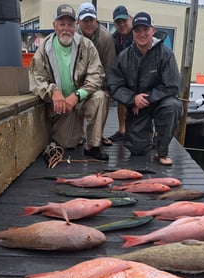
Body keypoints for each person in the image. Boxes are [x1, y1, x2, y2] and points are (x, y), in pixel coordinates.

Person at [29, 4, 109, 161]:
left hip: (80, 98)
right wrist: (53, 91)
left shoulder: (87, 46)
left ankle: (93, 146)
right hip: (59, 105)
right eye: (62, 24)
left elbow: (96, 76)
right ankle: (77, 134)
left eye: (70, 24)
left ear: (76, 26)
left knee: (101, 96)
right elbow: (36, 78)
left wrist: (77, 95)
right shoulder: (44, 48)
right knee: (67, 143)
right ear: (54, 26)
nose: (66, 29)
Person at [107, 11, 183, 165]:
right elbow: (114, 85)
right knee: (137, 149)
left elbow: (173, 86)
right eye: (137, 30)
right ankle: (147, 138)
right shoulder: (123, 57)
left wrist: (145, 98)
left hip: (160, 101)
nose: (142, 34)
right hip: (137, 106)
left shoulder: (166, 54)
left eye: (145, 30)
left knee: (173, 106)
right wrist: (132, 99)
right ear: (132, 32)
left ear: (153, 30)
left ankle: (162, 152)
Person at [76, 2, 116, 146]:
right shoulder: (72, 35)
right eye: (85, 20)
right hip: (77, 81)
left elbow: (109, 67)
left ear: (96, 20)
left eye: (91, 20)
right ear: (78, 21)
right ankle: (80, 132)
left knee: (104, 97)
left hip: (99, 80)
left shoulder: (106, 38)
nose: (88, 24)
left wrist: (103, 87)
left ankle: (99, 134)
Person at [108, 5, 133, 142]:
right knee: (120, 95)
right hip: (124, 74)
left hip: (143, 75)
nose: (122, 24)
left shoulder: (138, 32)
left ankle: (153, 134)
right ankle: (122, 130)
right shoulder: (115, 38)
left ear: (130, 19)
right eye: (118, 22)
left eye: (124, 21)